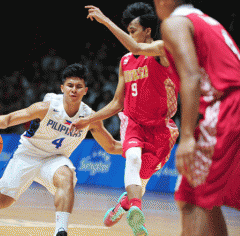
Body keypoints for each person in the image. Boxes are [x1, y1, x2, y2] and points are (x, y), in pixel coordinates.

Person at [0, 64, 123, 236]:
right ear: (62, 88)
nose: (74, 90)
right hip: (28, 154)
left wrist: (139, 149)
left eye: (79, 87)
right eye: (70, 86)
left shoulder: (90, 117)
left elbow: (112, 146)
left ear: (85, 90)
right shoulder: (46, 107)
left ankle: (61, 231)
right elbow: (10, 119)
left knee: (66, 177)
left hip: (55, 159)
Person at [70, 3, 180, 235]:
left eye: (133, 29)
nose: (130, 36)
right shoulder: (126, 62)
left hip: (160, 129)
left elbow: (136, 46)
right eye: (128, 31)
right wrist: (89, 118)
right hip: (133, 123)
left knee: (140, 182)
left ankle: (125, 204)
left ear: (147, 30)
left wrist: (105, 21)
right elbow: (117, 103)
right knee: (132, 157)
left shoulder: (162, 50)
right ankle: (136, 210)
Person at [152, 0, 240, 235]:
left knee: (191, 196)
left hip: (229, 105)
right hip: (235, 104)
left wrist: (188, 137)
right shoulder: (205, 21)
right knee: (207, 199)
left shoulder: (174, 23)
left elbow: (191, 77)